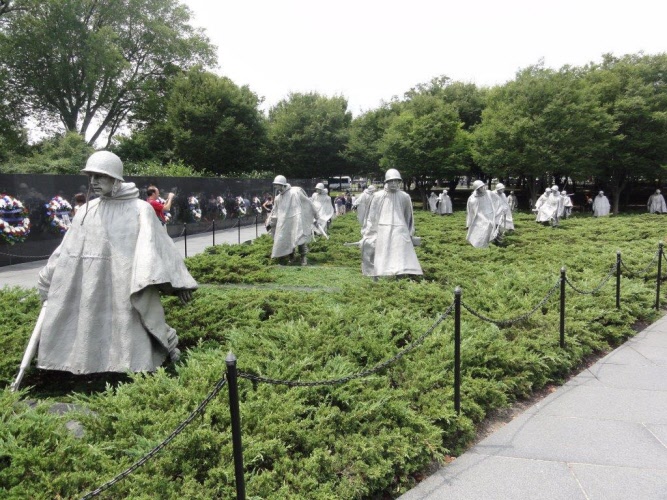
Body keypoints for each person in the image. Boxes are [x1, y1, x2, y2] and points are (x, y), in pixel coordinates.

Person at [35, 151, 197, 375]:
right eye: (91, 176)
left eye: (100, 176)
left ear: (115, 178)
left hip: (127, 281)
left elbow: (160, 246)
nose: (94, 181)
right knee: (91, 322)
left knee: (129, 326)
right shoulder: (86, 211)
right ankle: (90, 367)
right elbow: (66, 250)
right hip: (92, 282)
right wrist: (47, 278)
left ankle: (135, 368)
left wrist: (180, 283)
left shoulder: (140, 209)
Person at [359, 169, 422, 277]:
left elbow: (408, 216)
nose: (393, 183)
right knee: (383, 256)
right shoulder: (378, 196)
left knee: (400, 256)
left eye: (396, 181)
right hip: (383, 229)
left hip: (400, 229)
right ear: (386, 181)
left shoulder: (405, 196)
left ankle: (400, 276)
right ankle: (380, 275)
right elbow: (372, 217)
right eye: (391, 181)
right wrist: (368, 233)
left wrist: (410, 232)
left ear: (399, 182)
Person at [267, 175, 317, 266]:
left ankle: (303, 257)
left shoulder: (295, 193)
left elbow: (307, 203)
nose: (276, 186)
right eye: (275, 184)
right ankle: (291, 257)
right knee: (287, 239)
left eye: (278, 184)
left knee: (299, 238)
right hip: (284, 222)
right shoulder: (278, 198)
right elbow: (275, 211)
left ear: (283, 185)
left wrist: (315, 216)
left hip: (296, 219)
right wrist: (271, 222)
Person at [466, 180, 500, 248]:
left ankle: (486, 243)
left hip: (490, 214)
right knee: (481, 229)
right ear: (477, 189)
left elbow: (497, 200)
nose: (483, 188)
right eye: (480, 187)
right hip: (479, 216)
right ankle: (478, 244)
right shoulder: (473, 198)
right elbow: (470, 210)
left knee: (489, 227)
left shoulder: (489, 193)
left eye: (483, 186)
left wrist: (497, 210)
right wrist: (469, 222)